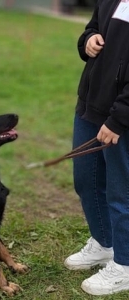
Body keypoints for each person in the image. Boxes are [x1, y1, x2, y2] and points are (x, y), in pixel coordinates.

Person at [64, 0, 129, 296]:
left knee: (122, 193)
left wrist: (120, 118)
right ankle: (104, 244)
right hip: (91, 103)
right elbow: (93, 28)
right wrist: (87, 40)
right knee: (86, 181)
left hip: (121, 116)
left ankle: (125, 266)